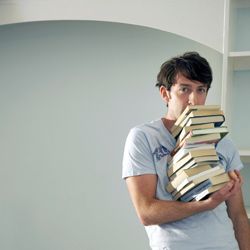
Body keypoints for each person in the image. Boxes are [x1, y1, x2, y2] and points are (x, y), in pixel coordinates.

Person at [122, 52, 250, 250]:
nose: (194, 99)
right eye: (184, 89)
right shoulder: (144, 137)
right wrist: (206, 204)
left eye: (201, 90)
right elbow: (146, 212)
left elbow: (238, 215)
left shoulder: (222, 142)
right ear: (165, 93)